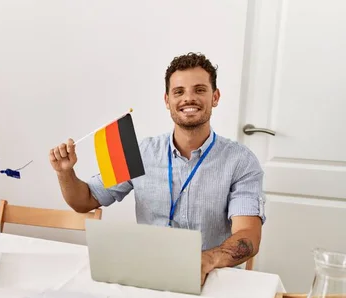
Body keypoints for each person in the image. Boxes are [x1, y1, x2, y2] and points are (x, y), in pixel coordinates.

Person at [48, 52, 265, 285]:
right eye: (179, 92)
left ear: (215, 96)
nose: (188, 98)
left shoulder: (241, 161)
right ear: (167, 100)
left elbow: (248, 236)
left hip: (211, 278)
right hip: (148, 276)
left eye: (199, 90)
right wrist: (65, 172)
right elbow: (85, 200)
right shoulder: (138, 152)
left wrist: (205, 260)